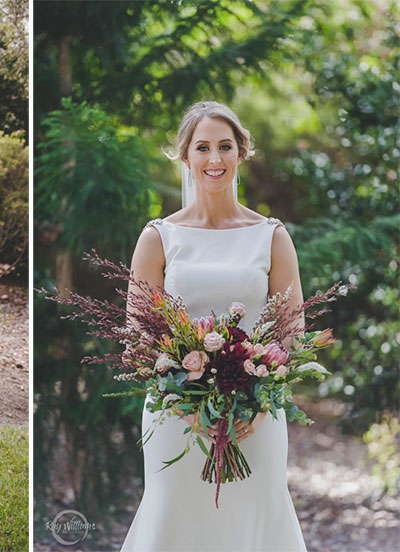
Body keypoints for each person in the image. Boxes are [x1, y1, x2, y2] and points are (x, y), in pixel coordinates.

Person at [121, 101, 306, 550]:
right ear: (185, 157)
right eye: (203, 148)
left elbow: (291, 337)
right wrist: (189, 407)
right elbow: (138, 343)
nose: (215, 159)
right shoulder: (158, 237)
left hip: (257, 420)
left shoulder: (272, 236)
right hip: (175, 417)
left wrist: (260, 405)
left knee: (254, 520)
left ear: (241, 153)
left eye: (225, 146)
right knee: (178, 521)